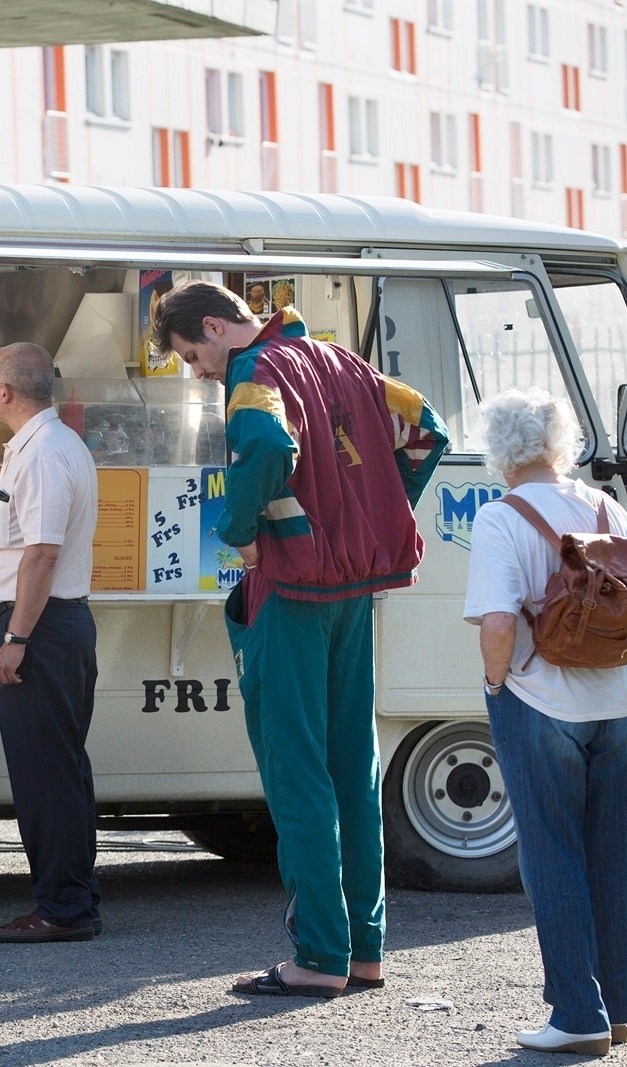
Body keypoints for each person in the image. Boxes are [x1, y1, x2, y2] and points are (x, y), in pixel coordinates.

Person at [151, 280, 449, 997]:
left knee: (298, 772)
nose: (199, 372)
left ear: (219, 328)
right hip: (352, 591)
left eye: (194, 355)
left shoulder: (256, 375)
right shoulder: (342, 361)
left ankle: (318, 955)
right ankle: (362, 950)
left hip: (291, 591)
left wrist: (243, 534)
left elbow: (265, 448)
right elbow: (428, 428)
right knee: (353, 765)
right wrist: (372, 516)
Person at [464, 388, 627, 1056]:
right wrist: (614, 659)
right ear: (563, 444)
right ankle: (614, 1009)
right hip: (618, 704)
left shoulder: (501, 518)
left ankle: (575, 1012)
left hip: (540, 701)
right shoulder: (604, 506)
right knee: (609, 858)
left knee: (552, 852)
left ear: (498, 451)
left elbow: (499, 622)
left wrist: (497, 682)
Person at [0, 343, 102, 944]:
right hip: (58, 623)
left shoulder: (43, 454)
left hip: (42, 627)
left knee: (45, 775)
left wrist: (16, 638)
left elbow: (42, 552)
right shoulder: (55, 445)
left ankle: (63, 908)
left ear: (3, 391)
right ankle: (73, 898)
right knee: (63, 770)